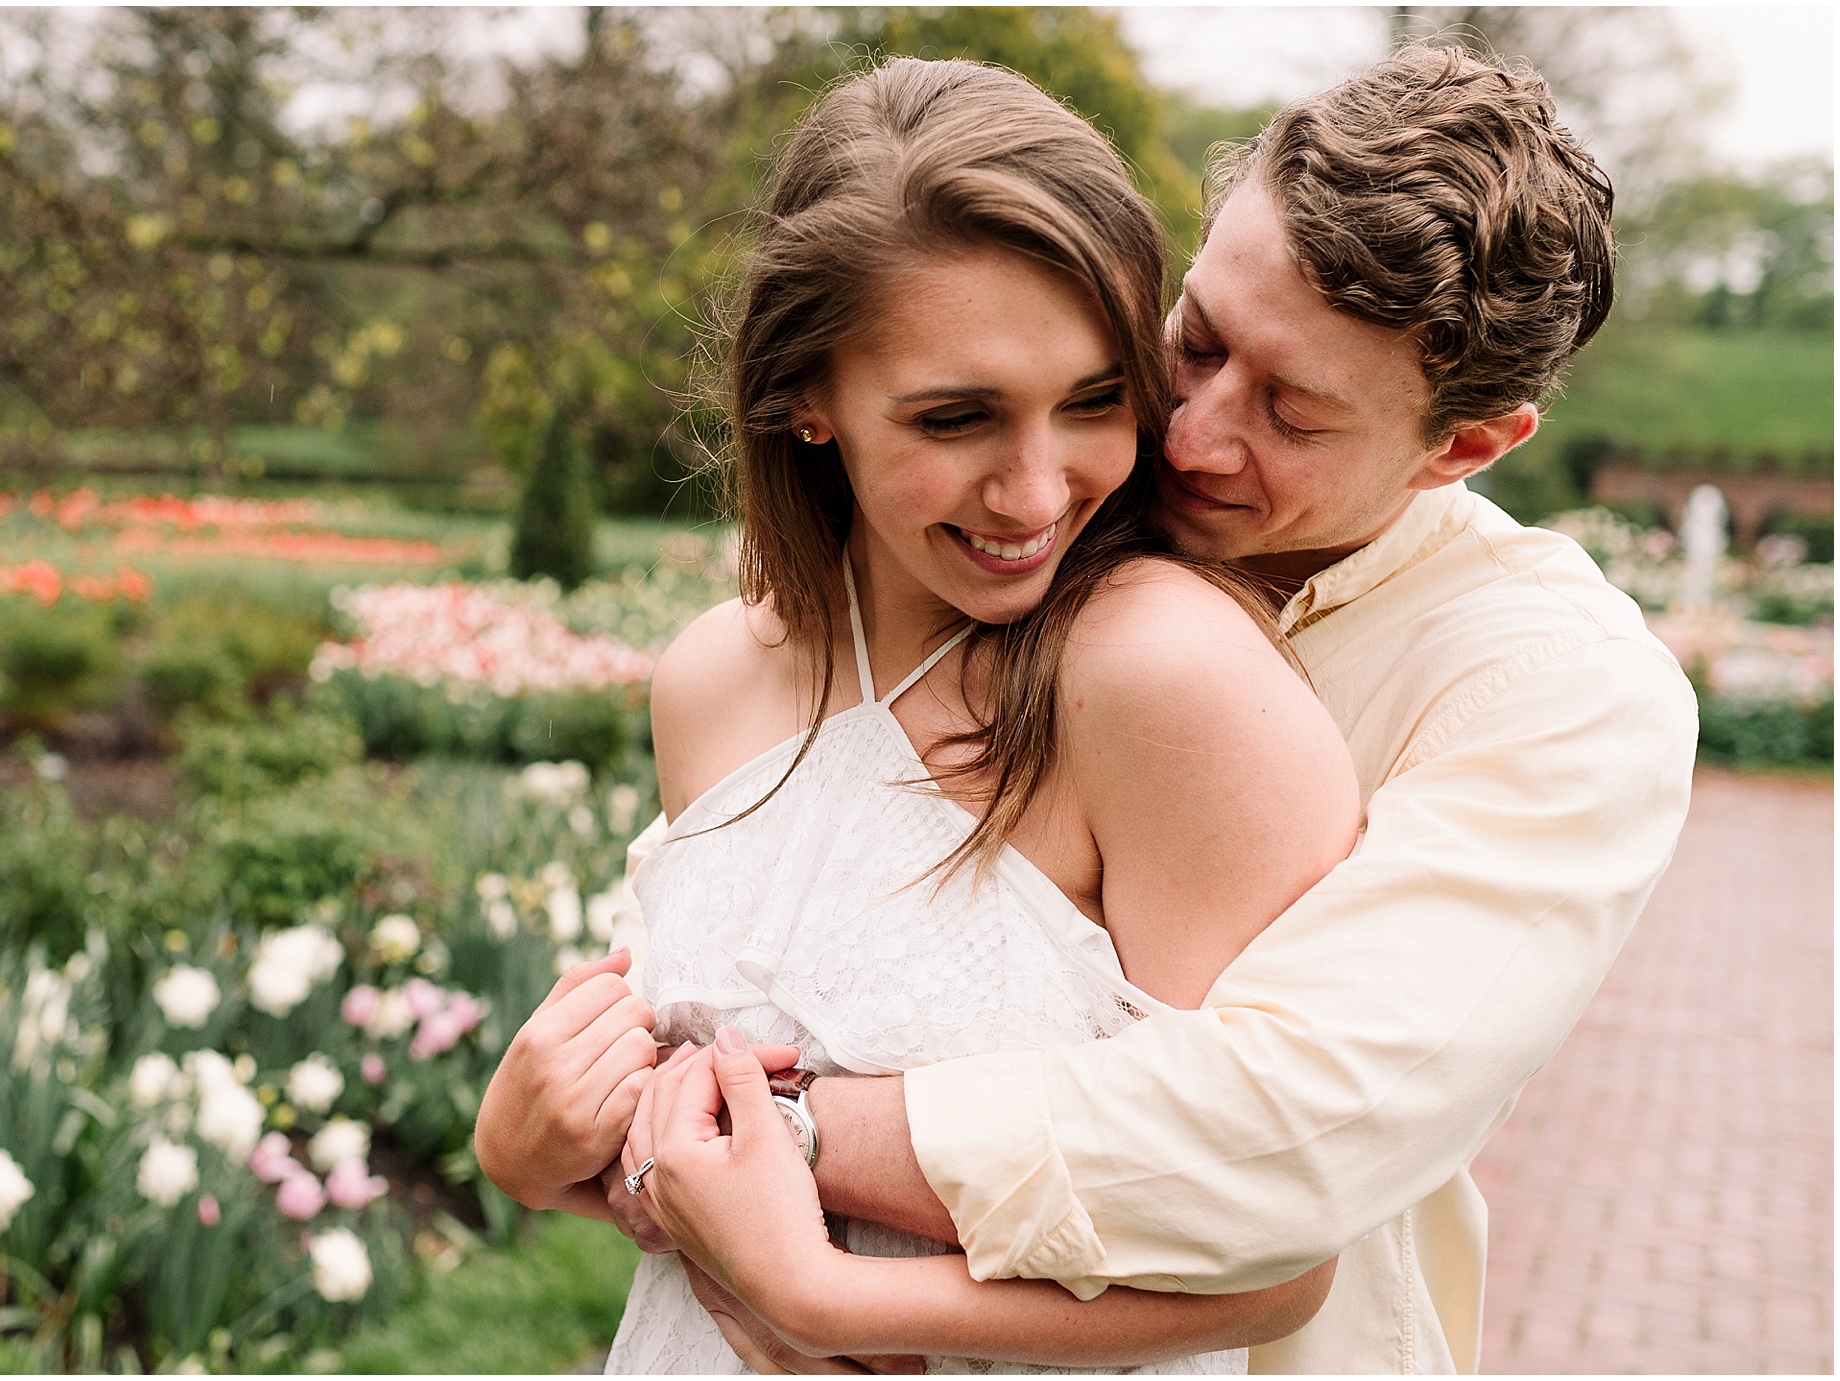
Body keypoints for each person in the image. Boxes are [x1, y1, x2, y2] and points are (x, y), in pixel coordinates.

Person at [614, 43, 1701, 1375]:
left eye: (1292, 413)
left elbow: (1282, 1132)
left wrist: (772, 1143)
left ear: (1463, 448)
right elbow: (765, 887)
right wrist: (579, 1107)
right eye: (1194, 341)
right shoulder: (1037, 529)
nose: (1190, 434)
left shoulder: (1559, 693)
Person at [476, 55, 1367, 1372]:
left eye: (1094, 401)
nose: (1034, 489)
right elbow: (704, 1167)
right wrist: (530, 1148)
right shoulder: (714, 679)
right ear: (806, 399)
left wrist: (822, 1298)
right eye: (957, 418)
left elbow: (1277, 1254)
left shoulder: (1164, 681)